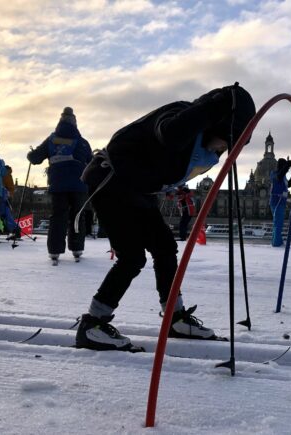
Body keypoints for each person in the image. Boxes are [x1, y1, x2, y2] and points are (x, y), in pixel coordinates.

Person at [74, 84, 256, 350]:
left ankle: (174, 317)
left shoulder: (204, 140)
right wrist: (216, 107)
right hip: (110, 181)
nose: (222, 150)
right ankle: (92, 324)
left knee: (164, 247)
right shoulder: (182, 116)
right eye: (226, 142)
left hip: (137, 189)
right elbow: (169, 135)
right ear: (219, 124)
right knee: (132, 257)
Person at [27, 107, 92, 264]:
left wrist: (31, 154)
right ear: (75, 123)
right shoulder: (82, 142)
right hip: (79, 184)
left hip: (58, 184)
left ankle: (54, 251)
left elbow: (35, 158)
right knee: (77, 216)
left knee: (58, 216)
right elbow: (91, 162)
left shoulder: (51, 140)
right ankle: (77, 248)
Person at [269, 158, 291, 247]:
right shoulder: (274, 174)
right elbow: (279, 176)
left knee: (278, 222)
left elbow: (289, 184)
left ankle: (276, 241)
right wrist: (287, 167)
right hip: (276, 202)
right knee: (278, 223)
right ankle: (277, 243)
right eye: (284, 167)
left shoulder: (283, 177)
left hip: (281, 202)